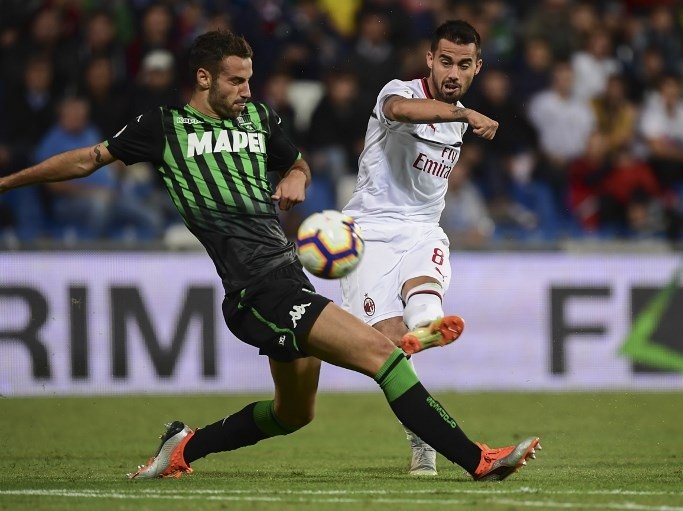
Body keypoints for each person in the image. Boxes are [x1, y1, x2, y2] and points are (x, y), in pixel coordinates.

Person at [0, 29, 540, 482]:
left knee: (293, 414)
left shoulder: (257, 118)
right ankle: (477, 460)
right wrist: (10, 182)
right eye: (236, 79)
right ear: (205, 77)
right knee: (385, 357)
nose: (247, 89)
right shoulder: (163, 127)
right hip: (254, 290)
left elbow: (299, 163)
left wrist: (296, 177)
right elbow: (89, 159)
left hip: (289, 278)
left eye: (250, 78)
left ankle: (183, 449)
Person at [340, 20, 499, 477]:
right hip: (368, 232)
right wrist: (464, 114)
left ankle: (427, 323)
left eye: (463, 65)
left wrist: (462, 115)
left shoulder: (458, 119)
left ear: (477, 67)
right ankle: (421, 432)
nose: (453, 72)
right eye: (445, 61)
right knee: (388, 348)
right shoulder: (400, 91)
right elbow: (402, 111)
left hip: (422, 229)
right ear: (430, 59)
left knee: (424, 291)